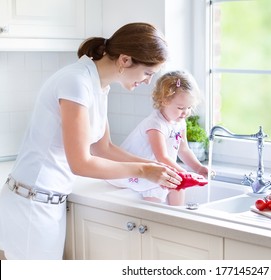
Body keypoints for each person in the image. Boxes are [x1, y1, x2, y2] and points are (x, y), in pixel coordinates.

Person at [0, 22, 182, 260]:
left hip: (48, 203)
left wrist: (158, 167)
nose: (148, 81)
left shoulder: (98, 85)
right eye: (148, 73)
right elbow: (81, 163)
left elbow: (103, 147)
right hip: (31, 206)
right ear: (125, 60)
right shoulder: (76, 82)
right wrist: (144, 170)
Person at [114, 70, 209, 206]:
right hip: (140, 170)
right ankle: (157, 220)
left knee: (179, 185)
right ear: (164, 101)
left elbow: (184, 150)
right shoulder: (155, 124)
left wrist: (198, 168)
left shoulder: (179, 122)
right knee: (158, 193)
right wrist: (185, 174)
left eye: (189, 107)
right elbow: (162, 157)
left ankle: (177, 218)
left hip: (161, 169)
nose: (185, 113)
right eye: (181, 107)